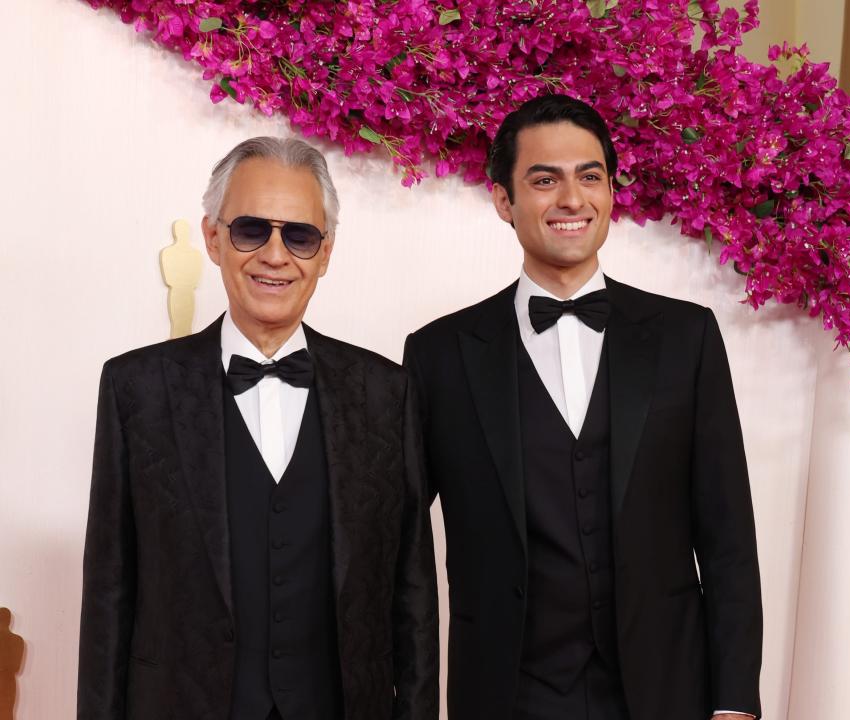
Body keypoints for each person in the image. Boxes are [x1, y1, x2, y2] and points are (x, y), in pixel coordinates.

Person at [403, 95, 762, 720]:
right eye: (544, 180)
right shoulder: (438, 355)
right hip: (508, 696)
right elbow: (397, 545)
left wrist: (734, 702)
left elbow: (729, 536)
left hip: (665, 692)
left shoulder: (687, 337)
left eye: (589, 176)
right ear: (503, 201)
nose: (572, 199)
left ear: (612, 193)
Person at [79, 137, 438, 720]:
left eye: (300, 236)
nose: (276, 255)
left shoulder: (385, 393)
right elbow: (108, 596)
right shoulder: (135, 389)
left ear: (325, 254)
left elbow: (413, 596)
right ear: (214, 238)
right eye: (252, 230)